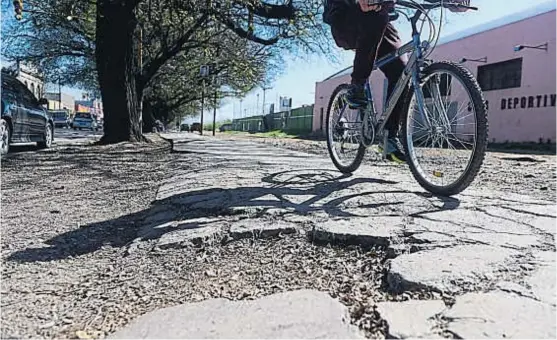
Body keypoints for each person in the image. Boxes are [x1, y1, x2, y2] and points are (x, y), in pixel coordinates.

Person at [323, 0, 470, 163]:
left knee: (401, 71)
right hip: (345, 19)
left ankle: (389, 137)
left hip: (379, 18)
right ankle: (357, 84)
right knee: (375, 18)